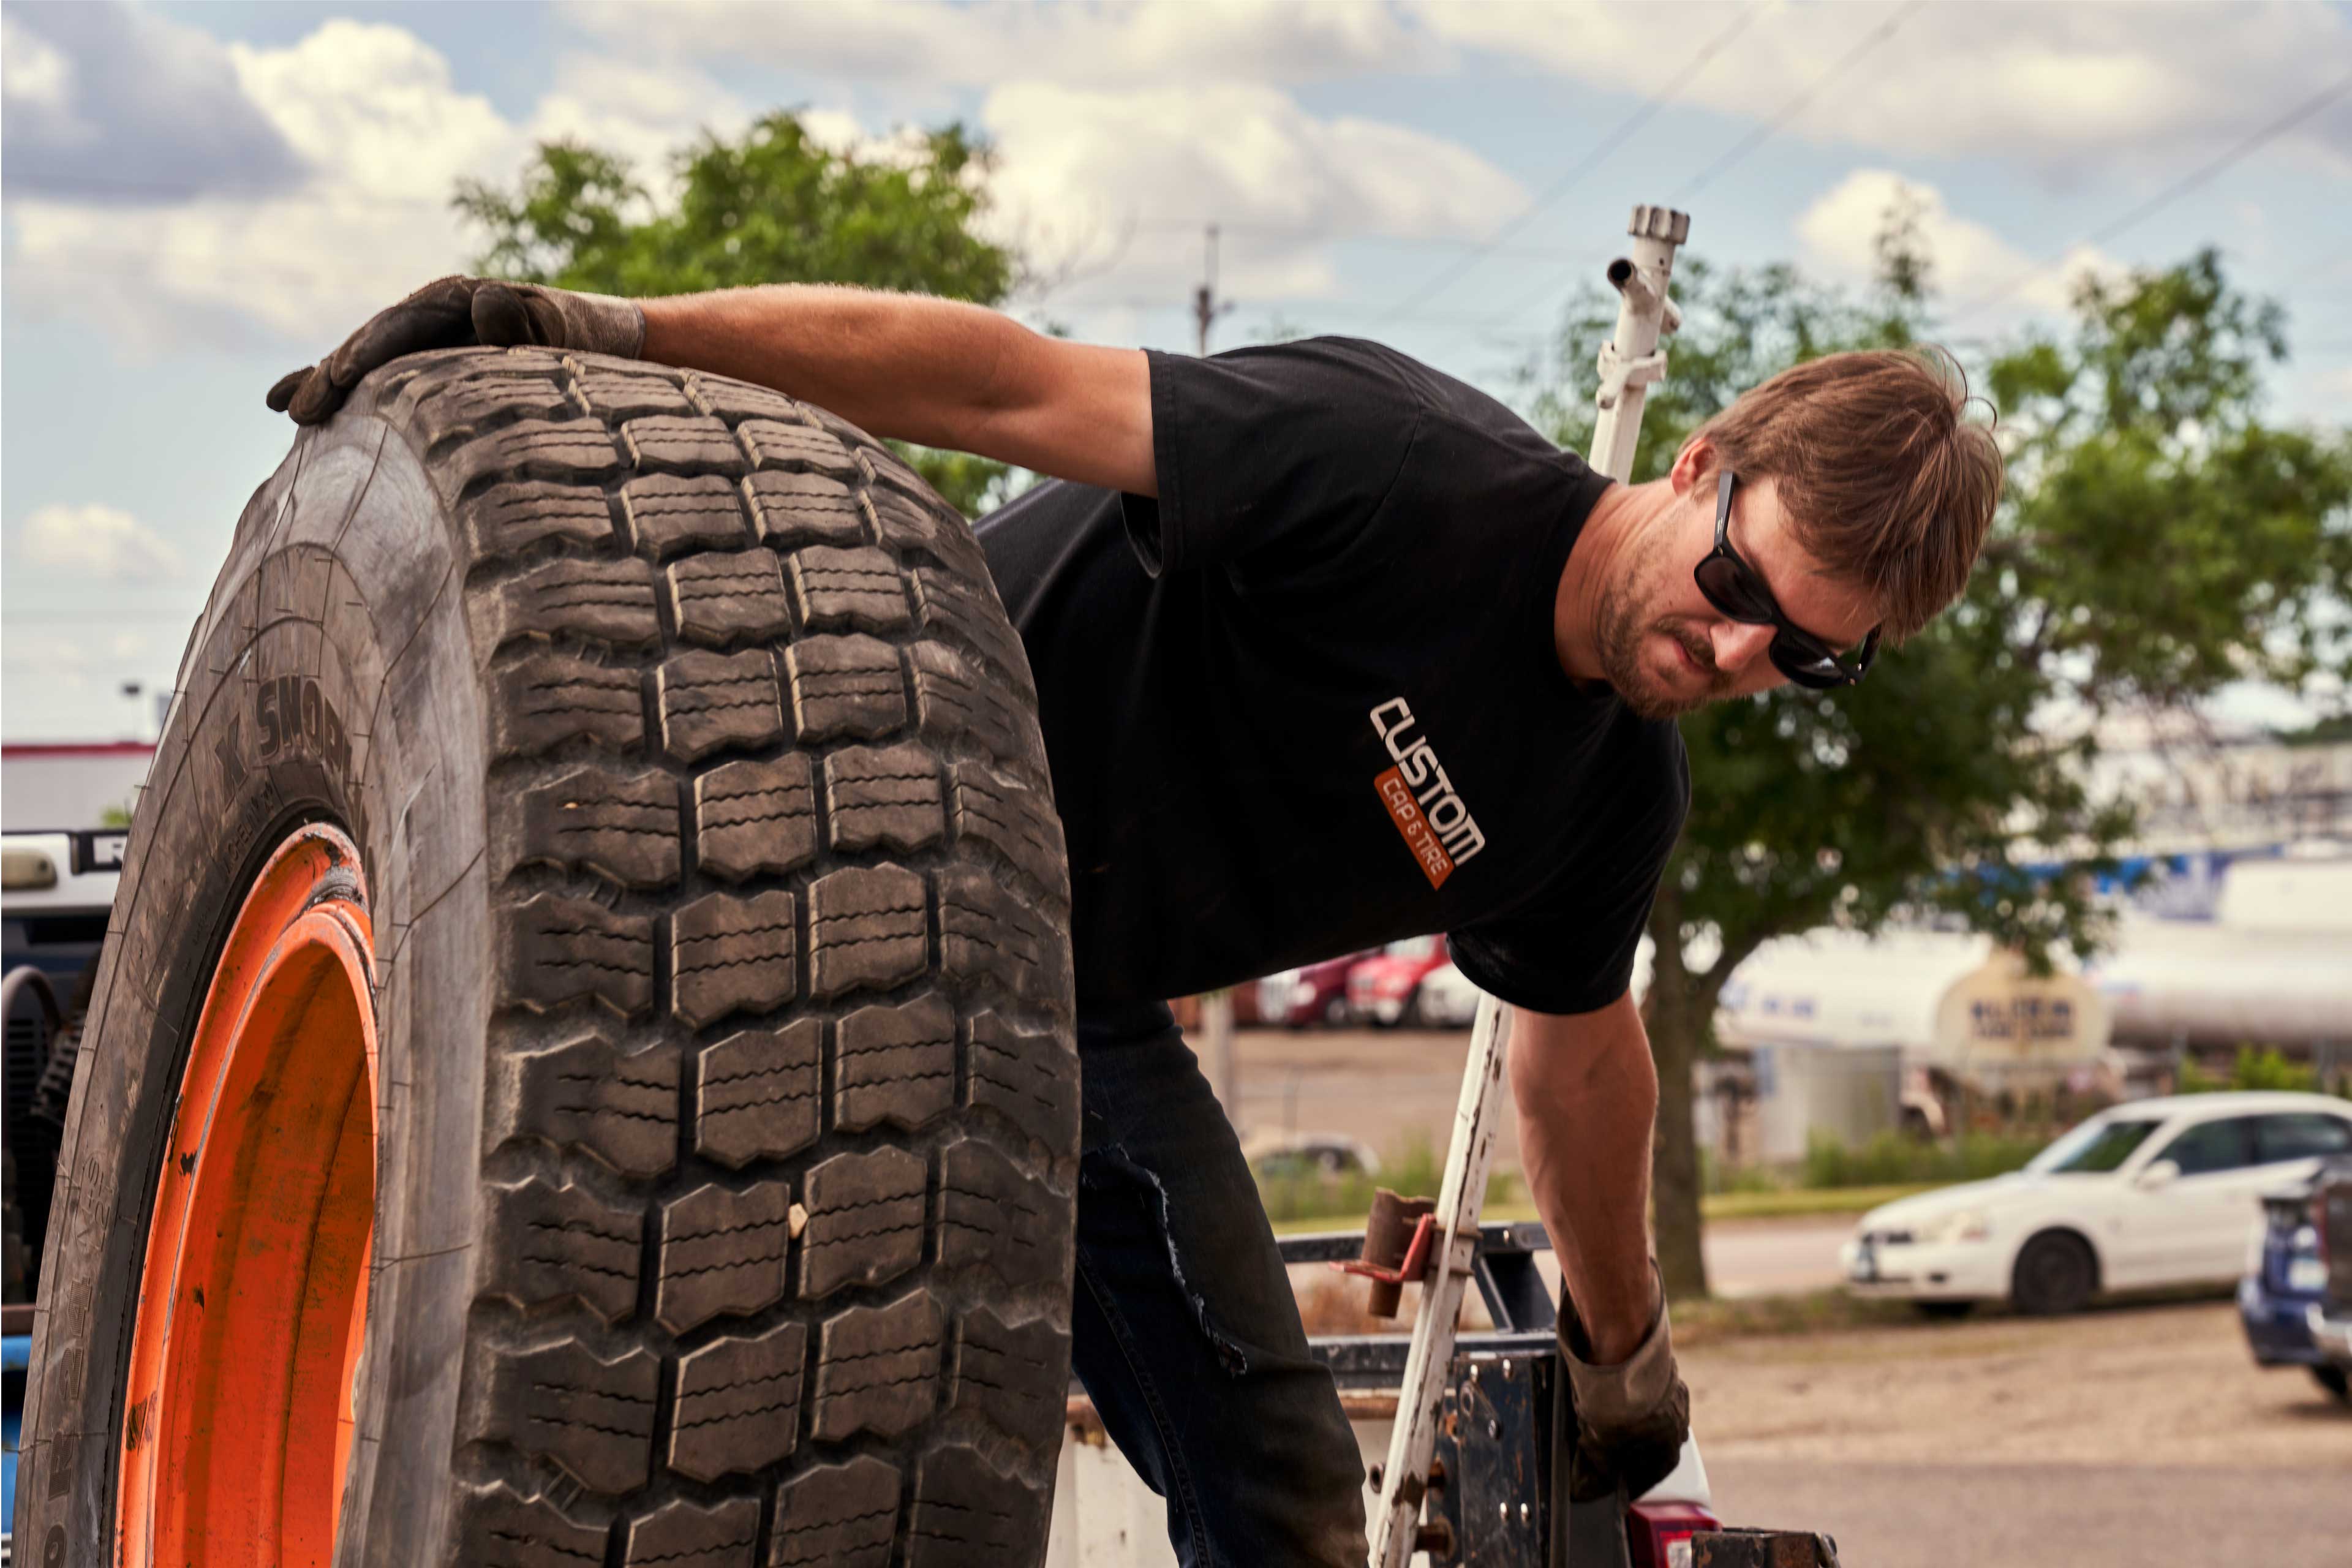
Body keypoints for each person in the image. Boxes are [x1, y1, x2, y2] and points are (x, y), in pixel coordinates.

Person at [271, 277, 2002, 1566]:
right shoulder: (1397, 470)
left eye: (1808, 656)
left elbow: (1575, 1051)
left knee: (1280, 1489)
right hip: (861, 854)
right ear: (1697, 465)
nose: (1736, 655)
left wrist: (1628, 1356)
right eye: (1736, 589)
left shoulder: (1608, 797)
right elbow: (1005, 384)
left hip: (1065, 1012)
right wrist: (600, 330)